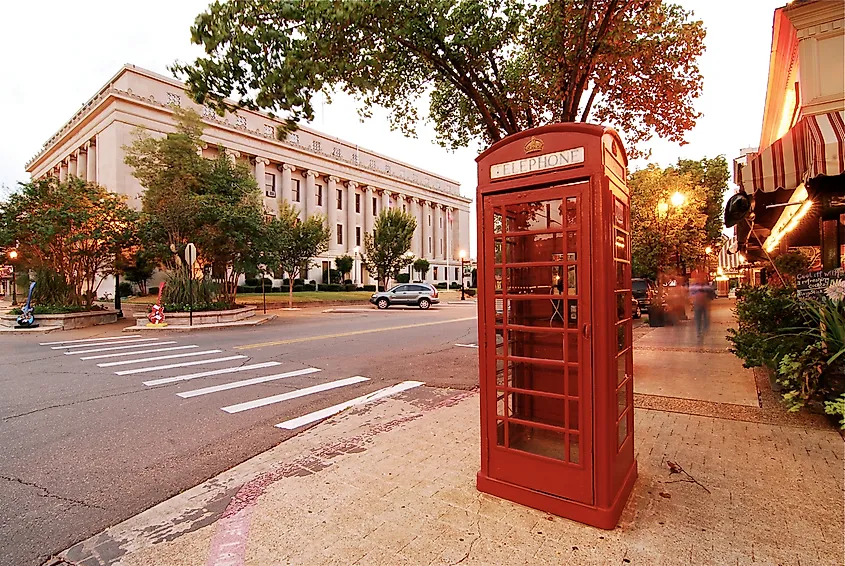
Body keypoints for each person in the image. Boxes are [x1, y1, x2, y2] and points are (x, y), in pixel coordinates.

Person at [689, 271, 714, 342]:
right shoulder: (694, 286)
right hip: (697, 305)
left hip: (705, 305)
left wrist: (706, 297)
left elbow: (711, 295)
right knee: (698, 319)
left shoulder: (707, 286)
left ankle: (704, 330)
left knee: (706, 319)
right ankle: (699, 333)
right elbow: (691, 295)